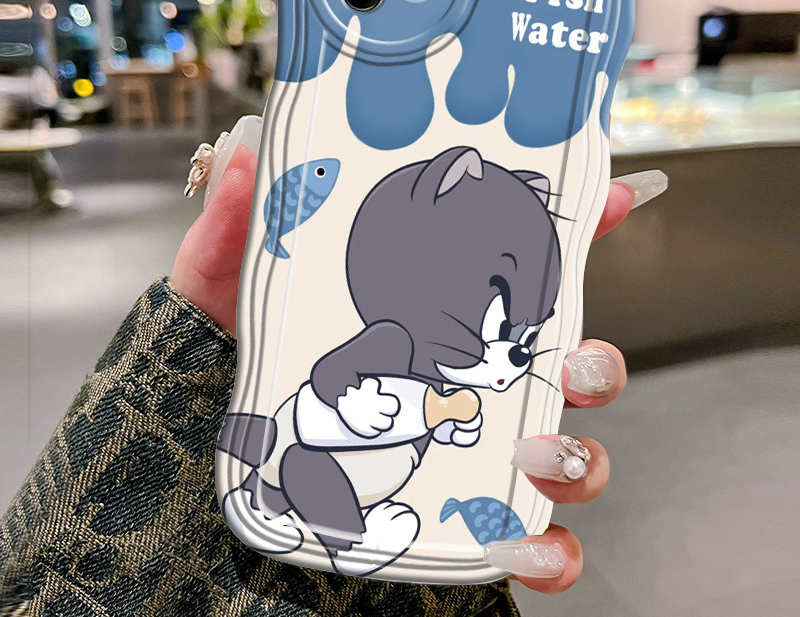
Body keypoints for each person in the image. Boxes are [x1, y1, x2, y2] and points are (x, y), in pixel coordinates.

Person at [0, 126, 663, 616]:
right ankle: (349, 535)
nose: (512, 350)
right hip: (309, 464)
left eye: (523, 335)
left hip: (366, 497)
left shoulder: (441, 374)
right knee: (308, 471)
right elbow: (329, 390)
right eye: (500, 321)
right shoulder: (380, 343)